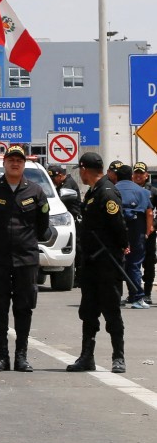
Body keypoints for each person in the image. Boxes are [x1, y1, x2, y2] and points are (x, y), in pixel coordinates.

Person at [0, 145, 51, 372]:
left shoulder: (36, 191)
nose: (15, 163)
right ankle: (2, 357)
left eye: (19, 160)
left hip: (26, 258)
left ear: (24, 164)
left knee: (23, 307)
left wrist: (25, 241)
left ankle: (21, 356)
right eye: (11, 159)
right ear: (4, 162)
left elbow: (43, 225)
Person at [67, 152, 128, 372]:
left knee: (111, 310)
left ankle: (118, 357)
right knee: (88, 311)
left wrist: (121, 246)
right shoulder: (93, 192)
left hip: (107, 264)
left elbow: (118, 226)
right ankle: (87, 357)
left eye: (80, 171)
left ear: (84, 169)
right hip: (91, 263)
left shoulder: (107, 192)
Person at [112, 161, 152, 309]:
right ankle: (137, 297)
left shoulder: (112, 190)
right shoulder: (143, 192)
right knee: (134, 265)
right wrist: (147, 233)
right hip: (137, 233)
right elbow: (149, 213)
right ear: (131, 176)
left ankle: (116, 297)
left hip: (116, 233)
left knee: (116, 264)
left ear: (116, 176)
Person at [133, 163, 157, 305]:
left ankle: (147, 293)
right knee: (132, 263)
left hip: (148, 232)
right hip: (134, 231)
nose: (138, 175)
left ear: (146, 175)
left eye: (141, 173)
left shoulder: (153, 191)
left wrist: (153, 225)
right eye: (136, 172)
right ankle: (135, 293)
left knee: (148, 262)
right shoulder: (129, 190)